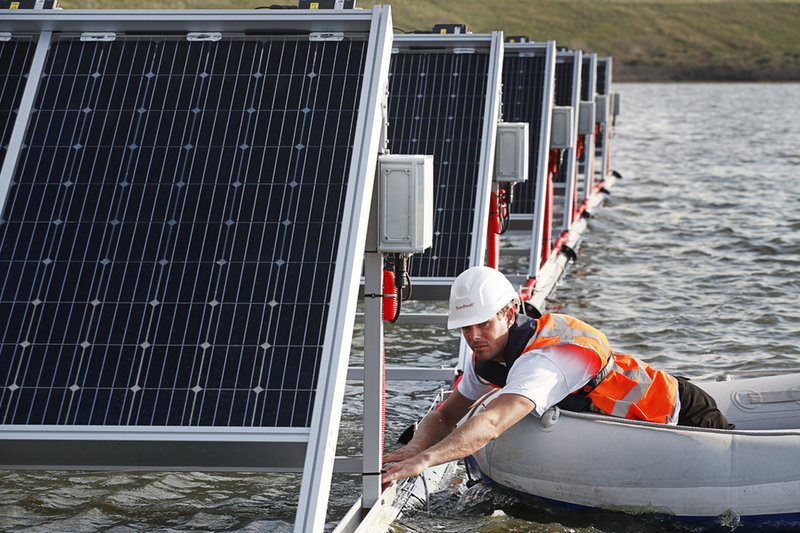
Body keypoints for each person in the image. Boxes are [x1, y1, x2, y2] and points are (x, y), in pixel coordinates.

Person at [382, 266, 733, 484]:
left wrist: (426, 461)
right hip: (640, 428)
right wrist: (416, 446)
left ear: (509, 312)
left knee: (732, 469)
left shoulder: (546, 360)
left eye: (483, 323)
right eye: (465, 328)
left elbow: (490, 424)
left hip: (678, 411)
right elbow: (446, 414)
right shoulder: (487, 358)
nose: (473, 336)